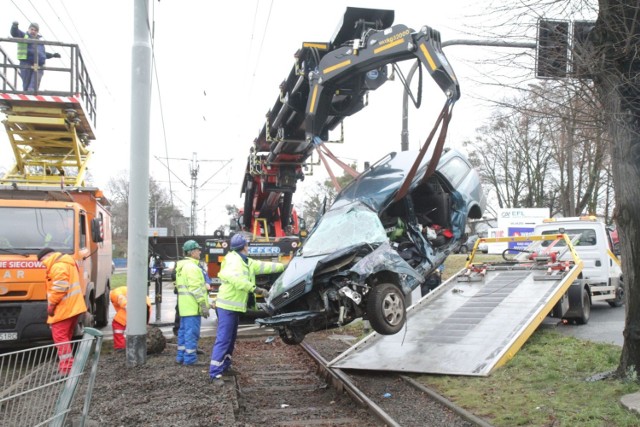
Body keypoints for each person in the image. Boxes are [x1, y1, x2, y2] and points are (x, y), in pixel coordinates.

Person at [208, 234, 284, 386]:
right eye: (247, 245)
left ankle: (225, 367)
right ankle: (214, 374)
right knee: (224, 339)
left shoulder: (245, 261)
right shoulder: (233, 261)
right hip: (227, 307)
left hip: (234, 307)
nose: (248, 247)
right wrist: (256, 289)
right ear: (243, 246)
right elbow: (238, 281)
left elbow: (263, 266)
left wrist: (284, 266)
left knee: (230, 339)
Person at [37, 247, 87, 377]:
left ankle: (67, 369)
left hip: (64, 309)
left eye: (42, 262)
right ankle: (66, 367)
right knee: (66, 337)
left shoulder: (57, 266)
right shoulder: (66, 263)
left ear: (46, 258)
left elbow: (60, 288)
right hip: (72, 308)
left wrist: (51, 305)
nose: (43, 265)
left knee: (60, 338)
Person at [175, 240, 210, 366]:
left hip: (185, 307)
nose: (200, 252)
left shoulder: (182, 266)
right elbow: (196, 289)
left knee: (183, 332)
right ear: (192, 252)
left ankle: (181, 357)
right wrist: (203, 305)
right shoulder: (192, 268)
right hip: (192, 307)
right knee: (191, 333)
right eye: (198, 250)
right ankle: (190, 359)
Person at [10, 21, 61, 92]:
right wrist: (14, 26)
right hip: (26, 63)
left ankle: (31, 91)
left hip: (38, 64)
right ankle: (27, 94)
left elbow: (42, 54)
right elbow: (15, 33)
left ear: (37, 32)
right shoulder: (24, 36)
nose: (33, 31)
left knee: (34, 83)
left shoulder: (40, 42)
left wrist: (52, 55)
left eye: (35, 30)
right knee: (26, 83)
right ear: (28, 29)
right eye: (32, 29)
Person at [110, 286, 151, 352]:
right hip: (145, 304)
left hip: (132, 306)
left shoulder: (115, 294)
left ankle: (120, 347)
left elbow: (122, 301)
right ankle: (140, 344)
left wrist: (130, 310)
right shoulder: (122, 291)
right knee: (141, 327)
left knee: (117, 324)